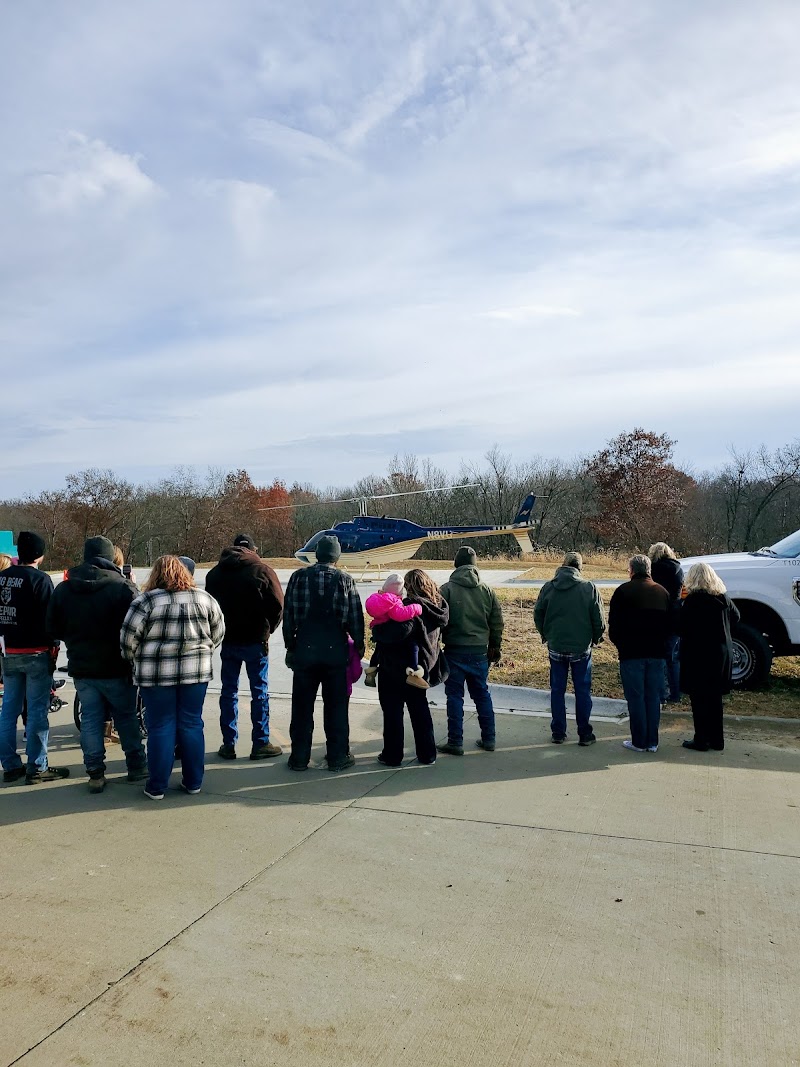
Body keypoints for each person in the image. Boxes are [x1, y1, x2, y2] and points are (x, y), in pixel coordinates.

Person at [46, 536, 146, 793]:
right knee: (126, 717)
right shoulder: (122, 587)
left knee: (91, 719)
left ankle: (95, 772)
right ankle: (136, 765)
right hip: (116, 665)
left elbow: (52, 627)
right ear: (112, 557)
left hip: (82, 665)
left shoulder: (65, 589)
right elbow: (139, 625)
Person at [121, 555, 225, 800]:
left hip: (156, 675)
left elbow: (128, 639)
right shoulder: (205, 599)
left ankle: (157, 786)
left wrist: (135, 659)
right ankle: (193, 782)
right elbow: (218, 633)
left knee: (160, 727)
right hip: (195, 673)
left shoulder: (146, 601)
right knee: (191, 724)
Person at [282, 535, 365, 772]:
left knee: (301, 708)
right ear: (337, 556)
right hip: (335, 653)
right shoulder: (345, 580)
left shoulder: (298, 577)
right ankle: (338, 757)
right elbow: (355, 619)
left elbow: (288, 616)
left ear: (317, 554)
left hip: (305, 651)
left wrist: (291, 647)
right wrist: (359, 648)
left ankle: (299, 758)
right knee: (337, 709)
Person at [205, 533, 284, 761]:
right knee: (259, 691)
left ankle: (228, 743)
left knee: (228, 691)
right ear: (252, 549)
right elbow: (278, 604)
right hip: (255, 639)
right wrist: (269, 629)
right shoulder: (261, 571)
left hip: (228, 639)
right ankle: (260, 742)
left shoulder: (215, 574)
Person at [0, 532, 69, 784]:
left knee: (8, 709)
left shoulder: (2, 578)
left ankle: (9, 765)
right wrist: (54, 645)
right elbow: (50, 619)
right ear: (40, 555)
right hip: (36, 652)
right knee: (37, 711)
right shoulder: (41, 580)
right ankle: (37, 766)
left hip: (8, 651)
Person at [371, 568, 449, 766]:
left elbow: (393, 634)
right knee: (420, 711)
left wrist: (376, 629)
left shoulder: (411, 608)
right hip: (422, 667)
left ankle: (392, 755)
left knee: (393, 713)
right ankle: (427, 753)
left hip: (395, 668)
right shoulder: (437, 607)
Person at [533, 551, 606, 746]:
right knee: (582, 691)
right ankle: (584, 733)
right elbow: (599, 619)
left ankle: (558, 731)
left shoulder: (548, 587)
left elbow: (538, 614)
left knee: (557, 690)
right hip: (581, 648)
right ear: (580, 568)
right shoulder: (589, 588)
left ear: (563, 565)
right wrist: (596, 638)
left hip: (556, 645)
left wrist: (545, 635)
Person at [437, 546, 503, 756]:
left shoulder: (446, 589)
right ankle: (489, 738)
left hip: (454, 650)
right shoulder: (487, 591)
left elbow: (438, 621)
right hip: (479, 652)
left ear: (456, 564)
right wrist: (495, 646)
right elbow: (497, 622)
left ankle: (455, 741)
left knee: (454, 697)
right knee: (482, 695)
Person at [608, 554, 670, 754]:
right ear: (649, 570)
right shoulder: (662, 592)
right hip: (657, 653)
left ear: (632, 570)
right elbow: (671, 626)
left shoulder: (623, 592)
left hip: (632, 653)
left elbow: (614, 626)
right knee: (653, 697)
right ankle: (653, 741)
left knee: (636, 698)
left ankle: (639, 741)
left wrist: (621, 646)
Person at [678, 563, 740, 752]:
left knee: (699, 699)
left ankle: (701, 739)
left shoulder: (693, 601)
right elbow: (736, 617)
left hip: (699, 655)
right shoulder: (723, 598)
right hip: (721, 653)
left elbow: (681, 626)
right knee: (714, 698)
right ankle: (717, 740)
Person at [364, 573, 425, 688]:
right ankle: (414, 671)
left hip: (378, 628)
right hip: (390, 630)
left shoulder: (377, 598)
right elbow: (399, 615)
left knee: (378, 650)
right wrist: (417, 608)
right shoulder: (393, 601)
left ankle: (371, 671)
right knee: (414, 646)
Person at [648, 542, 684, 704]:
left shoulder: (654, 569)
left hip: (659, 613)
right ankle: (676, 693)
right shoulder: (678, 568)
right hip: (676, 614)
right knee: (673, 657)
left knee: (659, 656)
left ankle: (661, 694)